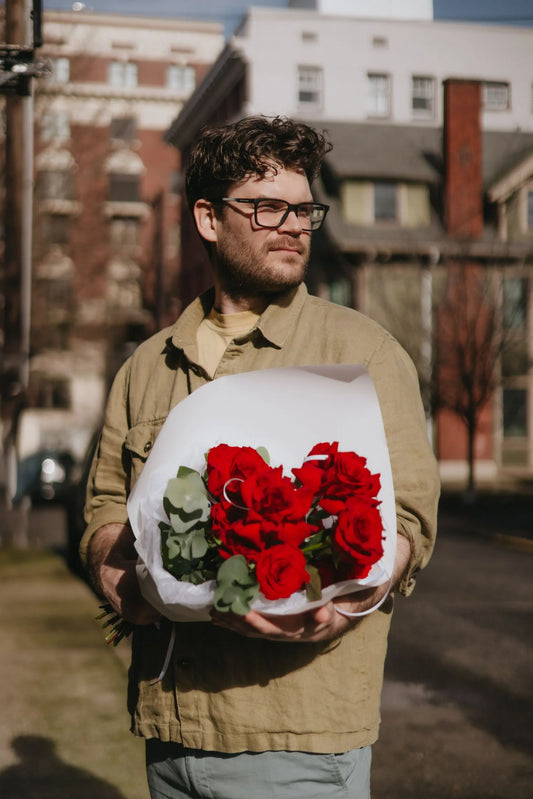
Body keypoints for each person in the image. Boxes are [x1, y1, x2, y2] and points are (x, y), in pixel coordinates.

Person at [81, 115, 440, 799]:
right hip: (169, 730)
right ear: (209, 219)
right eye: (268, 206)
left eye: (304, 208)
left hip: (296, 733)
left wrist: (349, 599)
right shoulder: (146, 366)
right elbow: (104, 506)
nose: (294, 225)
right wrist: (119, 576)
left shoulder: (364, 352)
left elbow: (410, 520)